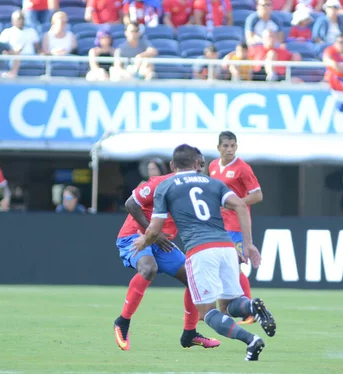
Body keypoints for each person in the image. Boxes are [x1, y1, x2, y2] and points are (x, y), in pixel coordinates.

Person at [132, 144, 276, 361]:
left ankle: (251, 340)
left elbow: (155, 228)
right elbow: (239, 205)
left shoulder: (166, 185)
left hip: (200, 251)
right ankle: (251, 305)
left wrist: (144, 240)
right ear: (197, 164)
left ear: (172, 165)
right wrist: (248, 244)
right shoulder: (213, 182)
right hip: (226, 247)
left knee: (207, 313)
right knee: (229, 304)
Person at [113, 149, 220, 351]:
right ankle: (123, 322)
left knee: (193, 278)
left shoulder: (197, 191)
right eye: (196, 165)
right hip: (135, 236)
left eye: (202, 165)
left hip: (161, 242)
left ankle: (189, 334)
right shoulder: (159, 183)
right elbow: (130, 204)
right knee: (148, 268)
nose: (199, 169)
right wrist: (151, 232)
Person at [208, 131, 263, 325]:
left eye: (233, 146)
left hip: (236, 225)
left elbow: (257, 195)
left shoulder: (243, 168)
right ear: (218, 148)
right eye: (226, 146)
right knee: (223, 267)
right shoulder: (213, 166)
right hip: (218, 225)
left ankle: (249, 310)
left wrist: (235, 203)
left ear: (236, 147)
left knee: (234, 267)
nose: (229, 149)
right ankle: (223, 308)